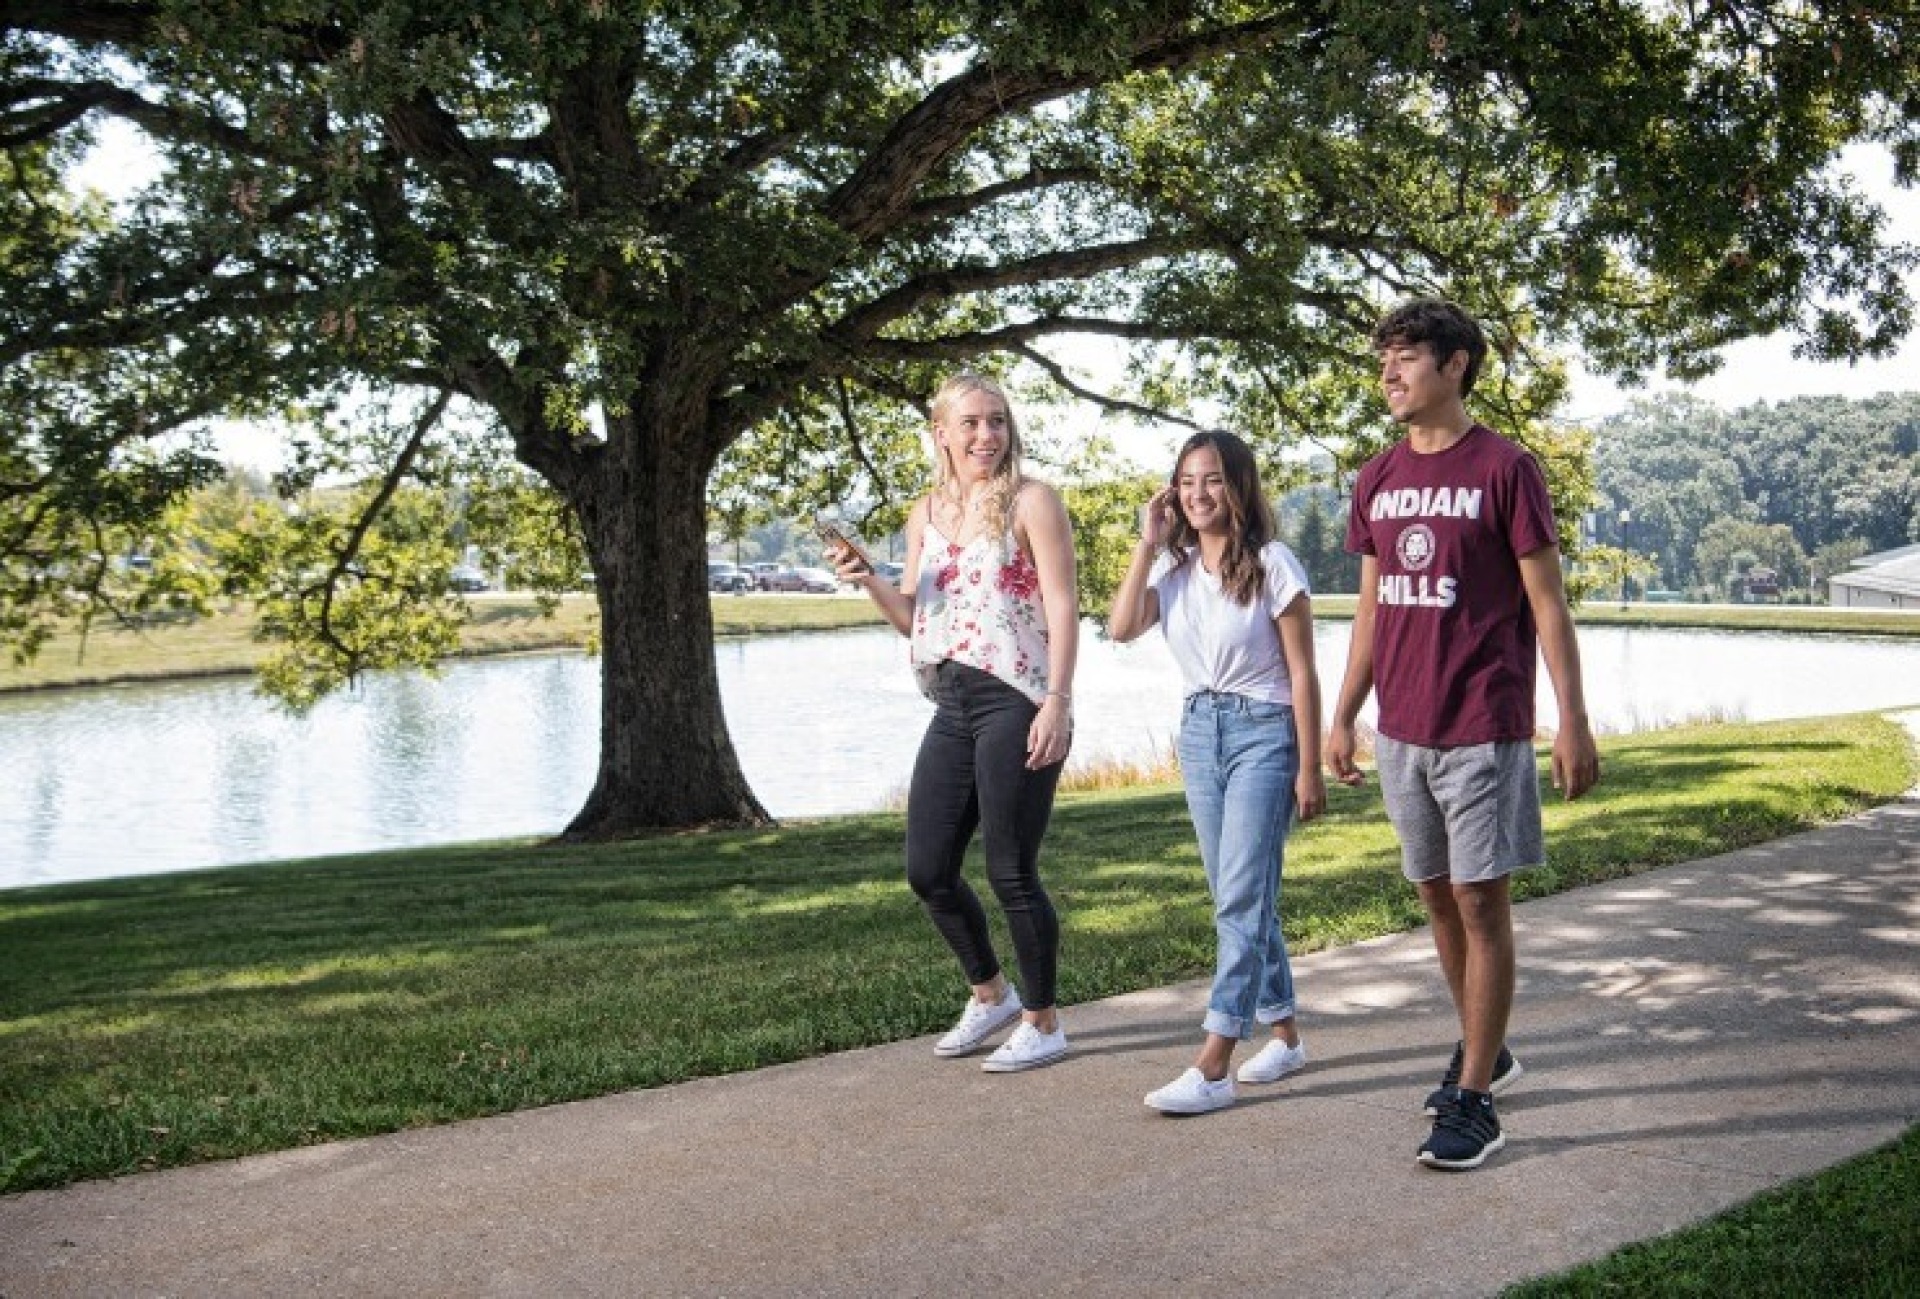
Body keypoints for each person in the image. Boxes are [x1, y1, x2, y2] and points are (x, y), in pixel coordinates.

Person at [1327, 299, 1601, 1170]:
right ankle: (1488, 1048)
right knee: (1437, 897)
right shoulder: (1375, 478)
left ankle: (1476, 1096)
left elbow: (1547, 605)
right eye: (1385, 362)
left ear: (1455, 365)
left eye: (1405, 358)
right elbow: (1371, 609)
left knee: (1484, 901)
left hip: (1484, 723)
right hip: (1403, 729)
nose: (1390, 374)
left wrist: (1574, 721)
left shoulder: (1508, 468)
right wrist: (1344, 711)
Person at [831, 372, 1079, 1073]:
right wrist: (870, 579)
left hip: (1018, 695)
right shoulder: (926, 515)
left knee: (1011, 870)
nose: (986, 435)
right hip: (952, 699)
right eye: (970, 423)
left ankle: (1043, 1020)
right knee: (928, 868)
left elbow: (1062, 607)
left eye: (997, 421)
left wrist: (1057, 700)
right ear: (941, 432)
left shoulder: (1032, 502)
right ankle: (991, 993)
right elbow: (917, 618)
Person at [1108, 429, 1326, 1115]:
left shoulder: (1272, 561)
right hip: (1200, 731)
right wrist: (1147, 542)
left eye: (1211, 480)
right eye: (1186, 480)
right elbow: (1117, 627)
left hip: (1265, 731)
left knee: (1239, 897)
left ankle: (1214, 1060)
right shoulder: (1172, 572)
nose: (1197, 493)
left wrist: (1310, 763)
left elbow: (1303, 671)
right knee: (1240, 893)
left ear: (1238, 487)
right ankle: (1285, 1033)